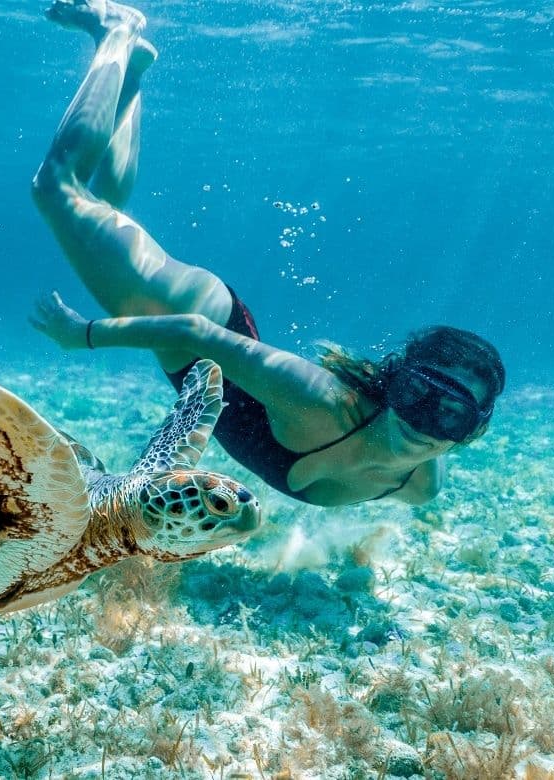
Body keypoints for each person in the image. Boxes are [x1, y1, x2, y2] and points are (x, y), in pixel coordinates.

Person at [30, 0, 505, 507]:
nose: (423, 423)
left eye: (451, 414)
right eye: (416, 394)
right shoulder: (320, 399)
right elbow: (194, 333)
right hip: (193, 314)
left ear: (472, 430)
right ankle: (118, 31)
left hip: (197, 356)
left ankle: (132, 76)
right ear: (395, 384)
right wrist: (82, 336)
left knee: (103, 207)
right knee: (57, 189)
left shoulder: (420, 486)